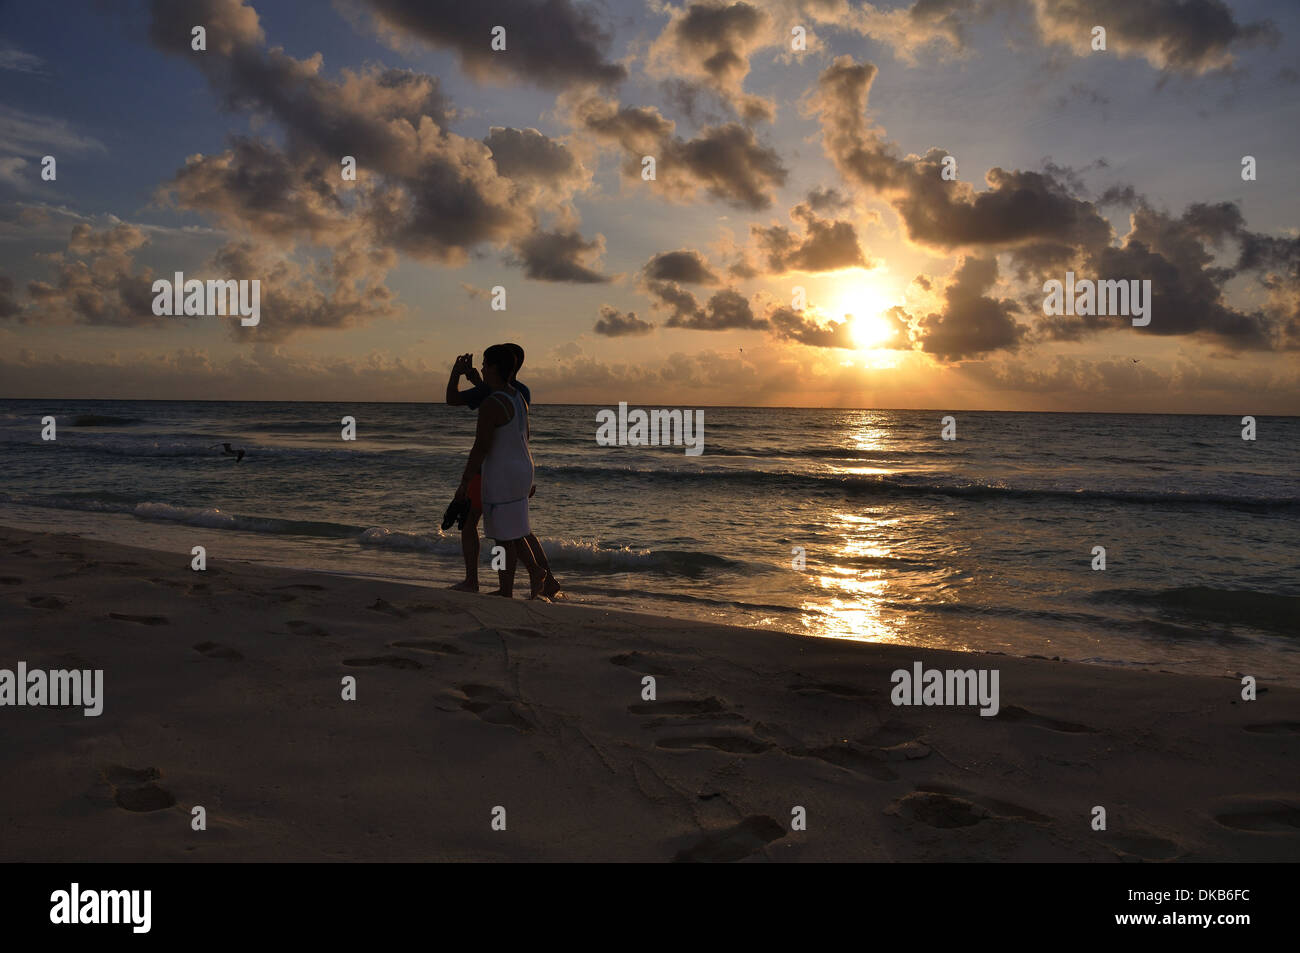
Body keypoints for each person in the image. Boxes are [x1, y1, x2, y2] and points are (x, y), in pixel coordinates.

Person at [446, 344, 561, 596]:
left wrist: (465, 481)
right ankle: (509, 588)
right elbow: (525, 436)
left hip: (502, 474)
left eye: (486, 364)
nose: (483, 368)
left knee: (502, 535)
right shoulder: (518, 396)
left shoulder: (492, 404)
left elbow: (481, 446)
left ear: (496, 367)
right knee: (513, 533)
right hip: (522, 469)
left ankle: (532, 572)